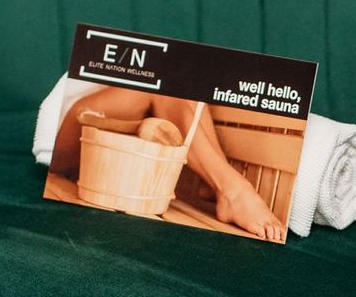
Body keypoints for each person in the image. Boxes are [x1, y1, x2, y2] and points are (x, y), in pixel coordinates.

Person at [50, 86, 288, 242]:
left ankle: (219, 185)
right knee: (163, 89)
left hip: (115, 126)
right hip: (70, 120)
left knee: (182, 86)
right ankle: (232, 191)